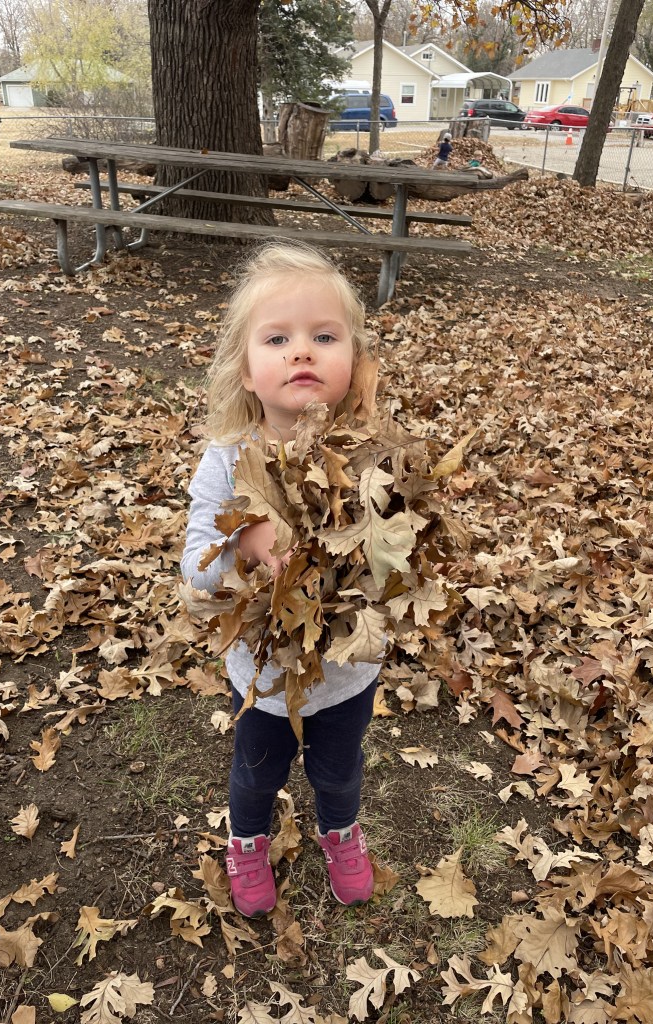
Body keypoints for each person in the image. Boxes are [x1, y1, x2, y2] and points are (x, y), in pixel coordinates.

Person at [181, 241, 381, 919]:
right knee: (256, 772)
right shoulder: (227, 459)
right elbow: (193, 567)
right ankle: (247, 842)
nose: (302, 352)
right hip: (263, 678)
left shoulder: (374, 454)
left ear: (354, 360)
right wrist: (240, 544)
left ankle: (340, 832)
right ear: (245, 369)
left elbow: (405, 558)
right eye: (277, 339)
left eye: (324, 337)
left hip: (347, 672)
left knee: (339, 770)